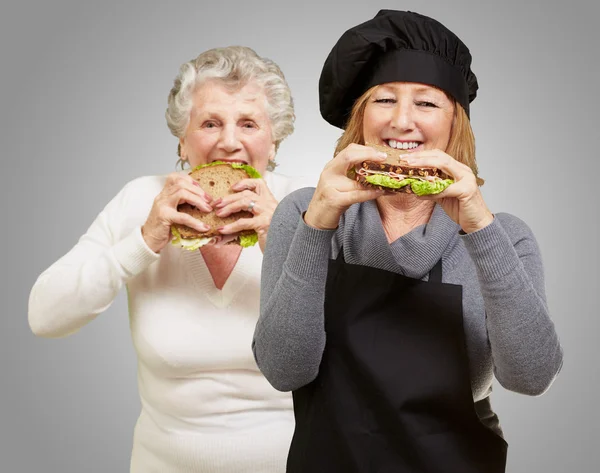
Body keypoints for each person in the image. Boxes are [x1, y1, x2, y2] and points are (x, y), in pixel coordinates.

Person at [253, 10, 564, 473]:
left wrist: (479, 226)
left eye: (427, 103)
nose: (402, 121)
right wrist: (317, 223)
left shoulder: (505, 235)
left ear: (455, 123)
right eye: (384, 100)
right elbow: (284, 371)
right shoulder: (303, 212)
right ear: (360, 119)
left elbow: (531, 378)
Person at [28, 45, 309, 472]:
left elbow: (356, 346)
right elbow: (44, 316)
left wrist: (284, 242)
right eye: (210, 122)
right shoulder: (140, 200)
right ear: (182, 139)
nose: (229, 141)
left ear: (273, 142)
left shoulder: (307, 207)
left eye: (248, 123)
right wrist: (144, 240)